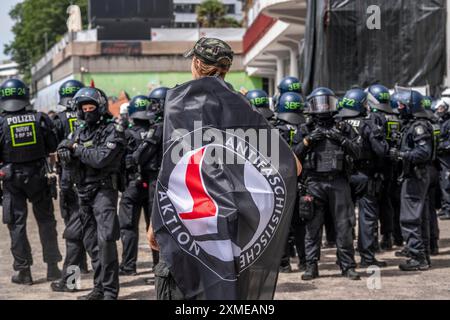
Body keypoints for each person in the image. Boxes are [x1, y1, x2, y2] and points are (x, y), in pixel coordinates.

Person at [57, 87, 126, 300]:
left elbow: (100, 158)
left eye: (91, 107)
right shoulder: (79, 130)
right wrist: (64, 149)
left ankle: (110, 292)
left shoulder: (112, 129)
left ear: (100, 107)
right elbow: (65, 143)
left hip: (104, 190)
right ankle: (98, 288)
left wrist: (76, 149)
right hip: (82, 192)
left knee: (106, 241)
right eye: (84, 108)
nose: (88, 111)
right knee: (90, 242)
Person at [293, 87, 360, 281]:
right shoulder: (305, 129)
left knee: (344, 226)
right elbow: (292, 155)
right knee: (312, 228)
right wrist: (307, 141)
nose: (323, 107)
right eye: (319, 103)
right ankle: (311, 266)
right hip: (313, 182)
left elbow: (358, 151)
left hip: (338, 182)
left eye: (326, 102)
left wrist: (340, 139)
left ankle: (347, 266)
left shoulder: (343, 127)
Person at [0, 78, 62, 285]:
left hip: (11, 178)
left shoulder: (1, 123)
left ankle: (24, 272)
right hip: (38, 175)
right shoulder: (40, 118)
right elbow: (52, 145)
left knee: (16, 225)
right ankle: (53, 268)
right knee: (46, 222)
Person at [337, 88, 389, 267]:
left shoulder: (338, 122)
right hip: (365, 175)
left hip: (343, 176)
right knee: (367, 218)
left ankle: (344, 258)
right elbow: (381, 150)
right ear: (361, 104)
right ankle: (367, 257)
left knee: (344, 218)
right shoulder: (368, 123)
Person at [50, 80, 89, 294]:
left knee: (73, 232)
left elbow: (52, 147)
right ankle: (96, 277)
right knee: (90, 232)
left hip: (71, 181)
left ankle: (72, 280)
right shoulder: (100, 122)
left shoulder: (59, 121)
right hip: (96, 185)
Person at [389, 90, 433, 271]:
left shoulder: (419, 126)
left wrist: (401, 155)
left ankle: (418, 257)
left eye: (401, 105)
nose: (399, 109)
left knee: (410, 218)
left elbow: (424, 152)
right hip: (415, 175)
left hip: (416, 175)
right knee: (419, 216)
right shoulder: (414, 124)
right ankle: (423, 254)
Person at [133, 87, 167, 283]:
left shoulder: (158, 127)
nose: (151, 108)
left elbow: (142, 154)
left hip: (159, 180)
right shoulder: (179, 123)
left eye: (154, 103)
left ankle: (161, 271)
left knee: (158, 226)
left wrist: (133, 159)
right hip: (176, 181)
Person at [118, 95, 155, 276]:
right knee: (154, 225)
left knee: (128, 227)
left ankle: (128, 266)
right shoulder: (157, 132)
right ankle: (158, 264)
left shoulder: (126, 134)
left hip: (132, 185)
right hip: (153, 186)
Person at [273, 92, 307, 272]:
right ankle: (304, 260)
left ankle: (284, 263)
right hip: (301, 182)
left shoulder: (274, 129)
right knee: (301, 226)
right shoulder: (305, 128)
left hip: (282, 183)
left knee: (282, 227)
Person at [366, 84, 397, 250]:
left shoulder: (376, 117)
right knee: (386, 203)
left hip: (377, 166)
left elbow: (376, 146)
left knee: (373, 205)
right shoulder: (394, 116)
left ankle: (375, 240)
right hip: (390, 166)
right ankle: (388, 236)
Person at [437, 100, 450, 221]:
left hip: (447, 158)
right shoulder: (442, 122)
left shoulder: (448, 123)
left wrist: (441, 145)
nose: (438, 110)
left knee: (446, 184)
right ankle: (445, 206)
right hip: (442, 158)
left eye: (441, 108)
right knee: (442, 183)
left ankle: (448, 209)